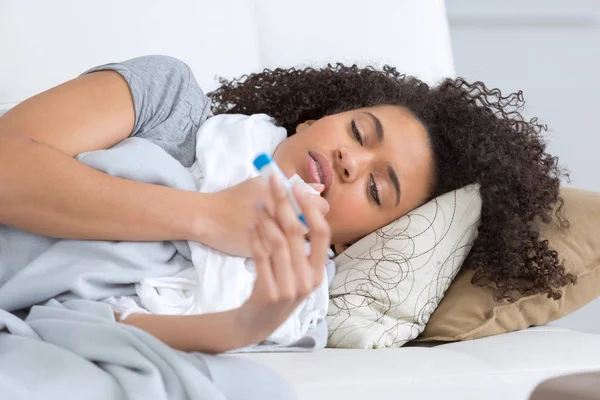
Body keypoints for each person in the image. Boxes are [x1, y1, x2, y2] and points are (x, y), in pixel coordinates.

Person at [0, 56, 576, 353]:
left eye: (376, 190)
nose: (352, 161)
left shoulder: (297, 302)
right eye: (358, 131)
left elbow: (96, 328)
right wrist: (208, 218)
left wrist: (245, 324)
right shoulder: (168, 98)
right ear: (313, 119)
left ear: (347, 243)